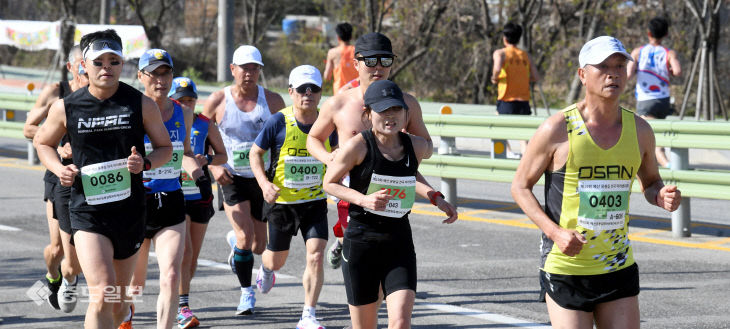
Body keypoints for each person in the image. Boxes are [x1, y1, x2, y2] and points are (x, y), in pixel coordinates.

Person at [511, 36, 681, 329]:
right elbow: (520, 186)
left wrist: (661, 196)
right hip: (567, 266)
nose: (613, 73)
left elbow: (651, 181)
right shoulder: (558, 129)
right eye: (603, 66)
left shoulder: (640, 129)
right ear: (582, 74)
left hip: (618, 263)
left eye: (619, 66)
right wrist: (555, 233)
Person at [33, 29, 173, 329]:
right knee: (102, 295)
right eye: (98, 62)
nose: (106, 67)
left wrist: (145, 162)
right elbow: (43, 142)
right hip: (88, 211)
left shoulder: (140, 104)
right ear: (84, 65)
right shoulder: (66, 107)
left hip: (130, 211)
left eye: (114, 61)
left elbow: (165, 149)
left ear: (123, 65)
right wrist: (60, 169)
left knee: (119, 304)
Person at [323, 80, 457, 329]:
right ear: (368, 114)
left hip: (398, 240)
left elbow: (409, 175)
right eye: (382, 110)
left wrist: (436, 198)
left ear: (406, 114)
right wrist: (364, 200)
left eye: (396, 110)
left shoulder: (415, 146)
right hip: (361, 239)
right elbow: (329, 183)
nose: (390, 116)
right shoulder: (358, 146)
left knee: (400, 322)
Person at [308, 32, 434, 272]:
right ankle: (344, 242)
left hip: (391, 190)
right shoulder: (339, 104)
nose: (379, 67)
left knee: (388, 256)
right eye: (371, 60)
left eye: (386, 60)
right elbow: (313, 138)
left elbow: (426, 147)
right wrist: (327, 157)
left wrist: (405, 144)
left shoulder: (407, 104)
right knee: (361, 260)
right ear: (356, 64)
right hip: (351, 190)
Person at [249, 65, 335, 329]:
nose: (307, 94)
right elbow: (255, 154)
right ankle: (265, 269)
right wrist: (264, 184)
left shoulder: (329, 123)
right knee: (276, 260)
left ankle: (308, 314)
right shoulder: (278, 121)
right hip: (282, 204)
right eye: (301, 89)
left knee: (316, 255)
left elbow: (342, 155)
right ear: (291, 92)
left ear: (321, 94)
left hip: (314, 202)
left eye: (314, 89)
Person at [202, 44, 286, 315]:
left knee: (259, 245)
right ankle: (246, 294)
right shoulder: (217, 100)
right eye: (244, 68)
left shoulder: (272, 101)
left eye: (255, 68)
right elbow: (198, 139)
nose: (249, 73)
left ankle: (238, 248)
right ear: (232, 69)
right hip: (232, 177)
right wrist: (215, 169)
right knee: (245, 237)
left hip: (262, 178)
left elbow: (285, 140)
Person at [126, 48, 206, 329]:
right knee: (134, 284)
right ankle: (125, 316)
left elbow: (183, 152)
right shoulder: (131, 110)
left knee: (171, 274)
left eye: (166, 72)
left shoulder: (183, 112)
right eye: (154, 73)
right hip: (136, 201)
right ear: (140, 76)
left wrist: (195, 169)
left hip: (171, 198)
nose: (161, 79)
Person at [24, 45, 88, 313]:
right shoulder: (56, 93)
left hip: (87, 176)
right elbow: (29, 127)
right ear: (71, 67)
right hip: (57, 174)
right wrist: (58, 147)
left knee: (80, 244)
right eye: (83, 67)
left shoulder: (100, 94)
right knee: (56, 249)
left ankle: (70, 280)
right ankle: (53, 278)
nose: (89, 72)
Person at [168, 77, 227, 329]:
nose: (186, 103)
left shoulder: (204, 123)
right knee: (185, 251)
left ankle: (179, 299)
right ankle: (181, 306)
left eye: (190, 99)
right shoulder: (165, 122)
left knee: (191, 260)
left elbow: (222, 155)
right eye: (180, 100)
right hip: (175, 193)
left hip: (199, 194)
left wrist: (207, 159)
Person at [627, 16, 681, 168]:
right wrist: (668, 69)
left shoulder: (638, 52)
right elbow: (677, 71)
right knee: (654, 134)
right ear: (666, 35)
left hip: (645, 100)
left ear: (648, 33)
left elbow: (628, 73)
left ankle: (669, 167)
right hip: (663, 99)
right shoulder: (669, 53)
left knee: (649, 136)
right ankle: (658, 166)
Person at [491, 22, 540, 157]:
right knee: (523, 134)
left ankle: (508, 152)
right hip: (523, 99)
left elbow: (497, 69)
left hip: (507, 98)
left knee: (498, 127)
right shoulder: (526, 55)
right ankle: (526, 157)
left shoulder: (500, 53)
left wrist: (494, 78)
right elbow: (536, 76)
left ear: (504, 38)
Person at [323, 22, 358, 95]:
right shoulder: (358, 51)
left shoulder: (332, 52)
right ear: (351, 37)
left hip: (339, 92)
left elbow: (327, 76)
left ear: (338, 37)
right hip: (355, 91)